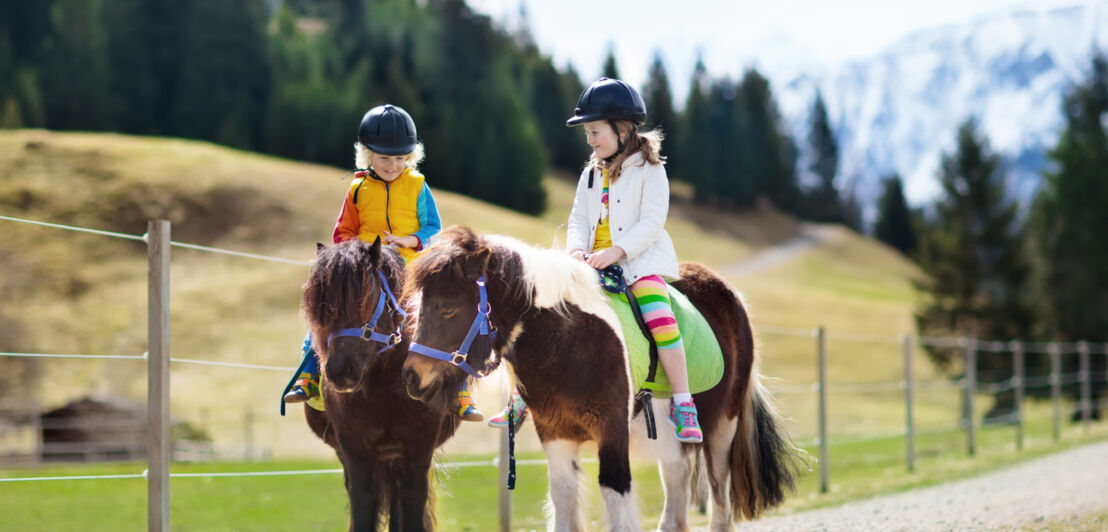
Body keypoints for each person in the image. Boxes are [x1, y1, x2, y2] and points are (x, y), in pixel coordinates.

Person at [489, 78, 703, 443]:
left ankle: (684, 402)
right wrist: (575, 253)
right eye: (587, 133)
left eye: (594, 132)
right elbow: (579, 219)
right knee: (540, 313)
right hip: (588, 264)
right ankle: (520, 398)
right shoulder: (591, 174)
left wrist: (617, 252)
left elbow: (652, 222)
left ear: (622, 129)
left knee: (660, 318)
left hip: (639, 264)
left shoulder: (651, 171)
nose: (589, 140)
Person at [282, 104, 483, 421]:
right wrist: (357, 252)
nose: (392, 165)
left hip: (409, 269)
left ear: (411, 156)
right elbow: (342, 233)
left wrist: (410, 241)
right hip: (367, 271)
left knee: (440, 320)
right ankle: (310, 376)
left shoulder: (418, 186)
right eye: (384, 158)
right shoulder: (358, 190)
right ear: (367, 154)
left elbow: (433, 229)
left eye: (400, 158)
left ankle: (458, 392)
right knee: (326, 310)